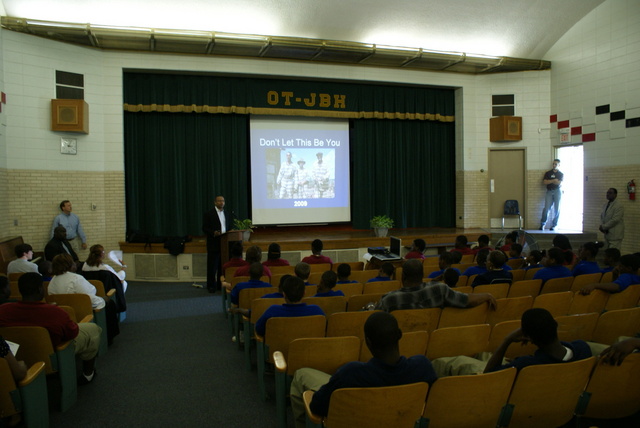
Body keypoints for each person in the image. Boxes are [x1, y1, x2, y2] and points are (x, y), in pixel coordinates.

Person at [289, 311, 437, 428]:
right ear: (399, 335)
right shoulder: (422, 366)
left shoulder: (350, 373)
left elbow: (317, 406)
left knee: (301, 374)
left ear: (367, 342)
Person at [0, 273, 101, 384]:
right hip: (55, 351)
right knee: (93, 329)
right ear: (40, 289)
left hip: (17, 354)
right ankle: (88, 374)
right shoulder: (56, 312)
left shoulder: (3, 310)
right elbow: (72, 333)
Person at [484, 308, 591, 373]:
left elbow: (489, 373)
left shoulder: (526, 365)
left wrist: (507, 340)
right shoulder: (583, 349)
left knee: (482, 357)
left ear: (528, 337)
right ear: (556, 325)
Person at [376, 259, 496, 312]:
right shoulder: (439, 289)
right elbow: (465, 300)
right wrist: (487, 295)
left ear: (402, 276)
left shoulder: (389, 299)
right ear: (422, 275)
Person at [254, 276, 324, 337]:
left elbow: (259, 330)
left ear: (284, 294)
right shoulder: (317, 311)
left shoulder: (272, 311)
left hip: (277, 351)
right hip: (310, 350)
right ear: (304, 293)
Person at [202, 195, 231, 293]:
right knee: (212, 266)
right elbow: (204, 228)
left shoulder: (227, 213)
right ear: (215, 202)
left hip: (224, 243)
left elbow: (228, 226)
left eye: (223, 201)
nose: (221, 203)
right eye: (219, 201)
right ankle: (211, 285)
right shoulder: (209, 214)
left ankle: (219, 285)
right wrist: (214, 233)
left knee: (221, 265)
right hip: (213, 243)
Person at [540, 159, 563, 230]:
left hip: (557, 191)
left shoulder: (560, 174)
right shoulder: (548, 173)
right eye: (553, 164)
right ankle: (542, 223)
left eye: (556, 164)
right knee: (546, 208)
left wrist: (549, 181)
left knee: (557, 208)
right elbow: (544, 182)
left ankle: (554, 225)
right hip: (549, 191)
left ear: (559, 165)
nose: (554, 165)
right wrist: (553, 180)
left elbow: (559, 183)